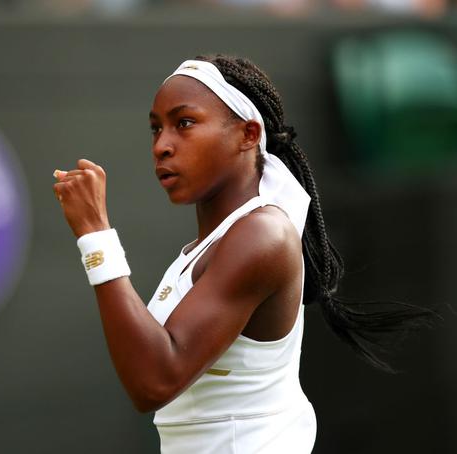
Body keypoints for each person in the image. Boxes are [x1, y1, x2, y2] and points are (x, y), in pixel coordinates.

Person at [52, 54, 435, 453]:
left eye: (184, 123)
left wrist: (95, 233)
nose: (162, 146)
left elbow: (153, 382)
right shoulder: (201, 251)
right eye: (156, 129)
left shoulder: (262, 234)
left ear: (248, 134)